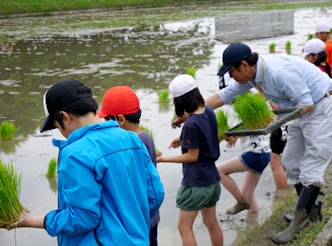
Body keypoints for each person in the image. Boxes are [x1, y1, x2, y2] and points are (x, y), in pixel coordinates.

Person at [207, 43, 332, 244]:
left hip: (322, 105)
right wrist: (191, 112)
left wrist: (271, 121)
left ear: (244, 65)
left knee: (312, 167)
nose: (232, 76)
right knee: (290, 162)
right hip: (300, 108)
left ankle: (298, 222)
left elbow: (307, 103)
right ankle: (310, 211)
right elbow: (223, 96)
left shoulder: (278, 71)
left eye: (232, 71)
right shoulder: (252, 76)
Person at [1, 79, 165, 246]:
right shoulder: (132, 139)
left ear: (65, 117)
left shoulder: (75, 154)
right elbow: (155, 195)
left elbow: (82, 218)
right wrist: (129, 223)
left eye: (58, 127)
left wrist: (28, 221)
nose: (62, 134)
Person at [156, 74, 223, 246]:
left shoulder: (192, 125)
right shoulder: (207, 111)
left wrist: (163, 159)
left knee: (184, 227)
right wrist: (182, 137)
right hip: (212, 179)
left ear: (180, 101)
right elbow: (202, 134)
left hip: (196, 183)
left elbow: (192, 156)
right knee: (212, 223)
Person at [97, 86, 161, 246]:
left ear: (120, 119)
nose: (105, 124)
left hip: (139, 218)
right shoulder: (145, 137)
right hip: (150, 215)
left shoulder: (131, 143)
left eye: (107, 119)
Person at [217, 126, 271, 214]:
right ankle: (253, 223)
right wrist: (236, 136)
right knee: (248, 196)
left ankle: (241, 202)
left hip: (255, 154)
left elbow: (247, 127)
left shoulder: (245, 114)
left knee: (218, 171)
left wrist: (233, 136)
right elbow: (248, 127)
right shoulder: (251, 115)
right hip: (265, 153)